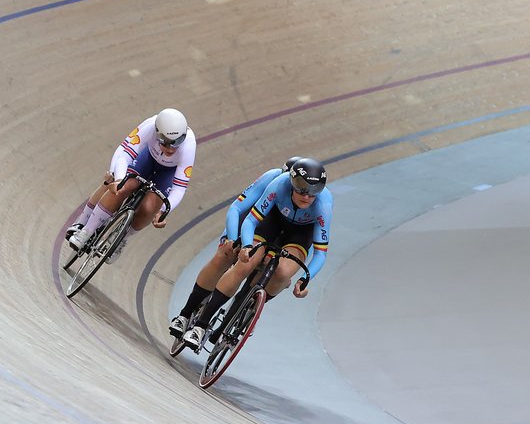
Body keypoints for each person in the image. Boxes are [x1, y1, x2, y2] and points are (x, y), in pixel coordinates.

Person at [181, 157, 332, 350]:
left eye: (313, 193)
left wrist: (304, 279)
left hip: (300, 233)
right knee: (247, 262)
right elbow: (251, 220)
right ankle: (200, 326)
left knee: (283, 273)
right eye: (302, 190)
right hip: (272, 221)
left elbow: (320, 253)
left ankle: (251, 309)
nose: (307, 197)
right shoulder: (279, 183)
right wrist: (245, 246)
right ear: (292, 182)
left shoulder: (323, 204)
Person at [169, 156, 303, 338]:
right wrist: (232, 240)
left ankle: (246, 310)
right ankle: (185, 314)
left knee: (274, 272)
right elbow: (237, 209)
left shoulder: (306, 202)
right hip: (253, 224)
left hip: (279, 235)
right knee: (226, 254)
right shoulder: (272, 178)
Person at [67, 108, 195, 262]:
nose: (171, 148)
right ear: (157, 133)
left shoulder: (188, 145)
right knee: (122, 186)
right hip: (147, 159)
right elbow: (124, 152)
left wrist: (163, 211)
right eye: (166, 143)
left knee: (149, 208)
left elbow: (179, 188)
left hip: (167, 173)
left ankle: (120, 239)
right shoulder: (149, 126)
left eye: (176, 143)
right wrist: (118, 179)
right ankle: (86, 230)